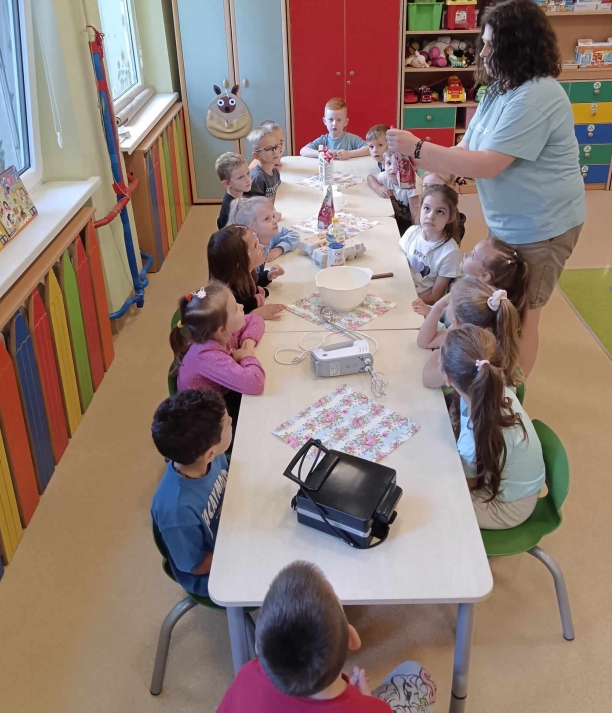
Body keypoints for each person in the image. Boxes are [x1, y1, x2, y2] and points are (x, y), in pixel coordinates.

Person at [387, 0, 586, 377]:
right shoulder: (500, 89)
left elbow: (488, 164)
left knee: (523, 315)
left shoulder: (538, 96)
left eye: (492, 44)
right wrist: (435, 175)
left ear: (517, 47)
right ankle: (489, 373)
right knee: (498, 303)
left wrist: (418, 148)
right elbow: (467, 148)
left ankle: (509, 395)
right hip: (509, 220)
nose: (483, 52)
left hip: (543, 226)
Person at [216, 560, 437, 713]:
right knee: (415, 674)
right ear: (352, 638)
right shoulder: (373, 710)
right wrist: (365, 701)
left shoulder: (247, 676)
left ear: (259, 647)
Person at [439, 324, 545, 529]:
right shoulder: (491, 391)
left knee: (440, 503)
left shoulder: (474, 438)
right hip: (513, 485)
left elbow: (467, 484)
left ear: (448, 379)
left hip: (510, 506)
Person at [150, 389, 232, 595]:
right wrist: (242, 549)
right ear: (210, 454)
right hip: (211, 573)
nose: (231, 420)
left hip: (232, 525)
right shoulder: (177, 511)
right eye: (228, 423)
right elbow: (194, 565)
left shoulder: (207, 457)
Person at [171, 283, 265, 427]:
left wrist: (248, 344)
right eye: (235, 309)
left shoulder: (220, 333)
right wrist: (247, 357)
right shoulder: (206, 355)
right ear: (221, 329)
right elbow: (255, 383)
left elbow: (255, 319)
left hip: (221, 396)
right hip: (208, 424)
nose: (241, 306)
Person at [418, 278, 522, 390]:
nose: (446, 302)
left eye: (448, 301)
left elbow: (427, 378)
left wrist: (438, 352)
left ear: (456, 320)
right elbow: (425, 341)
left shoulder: (471, 353)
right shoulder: (478, 334)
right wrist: (438, 306)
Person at [399, 185, 461, 305]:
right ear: (420, 209)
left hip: (420, 305)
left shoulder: (450, 252)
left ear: (450, 217)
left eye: (440, 212)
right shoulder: (412, 232)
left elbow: (435, 297)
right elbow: (398, 265)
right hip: (402, 291)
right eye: (427, 208)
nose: (431, 216)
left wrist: (406, 300)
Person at [207, 225, 286, 319]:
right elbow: (231, 321)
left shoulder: (243, 274)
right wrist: (253, 314)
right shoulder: (228, 297)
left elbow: (254, 281)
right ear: (239, 263)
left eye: (258, 242)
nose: (262, 247)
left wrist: (268, 276)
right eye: (256, 246)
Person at [460, 236, 530, 320]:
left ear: (485, 275)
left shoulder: (475, 306)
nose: (466, 254)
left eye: (473, 256)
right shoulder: (471, 282)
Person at [228, 196, 300, 263]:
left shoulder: (271, 236)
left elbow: (294, 235)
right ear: (251, 228)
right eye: (267, 219)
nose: (275, 221)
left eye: (273, 216)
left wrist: (279, 249)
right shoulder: (249, 253)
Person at [367, 149, 421, 236]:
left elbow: (416, 217)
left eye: (398, 164)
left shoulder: (411, 184)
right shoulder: (387, 176)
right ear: (383, 164)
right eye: (389, 163)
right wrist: (377, 188)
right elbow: (370, 177)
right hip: (397, 220)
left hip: (410, 225)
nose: (392, 168)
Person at [300, 98, 370, 160]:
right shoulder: (323, 140)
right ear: (325, 121)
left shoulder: (351, 139)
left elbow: (369, 148)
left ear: (345, 122)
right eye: (331, 119)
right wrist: (323, 154)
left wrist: (349, 154)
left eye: (339, 120)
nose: (334, 124)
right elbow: (303, 151)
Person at [421, 171, 466, 242]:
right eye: (426, 186)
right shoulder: (421, 210)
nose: (429, 192)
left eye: (435, 187)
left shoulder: (457, 225)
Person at [215, 152, 252, 230]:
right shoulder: (233, 209)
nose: (248, 179)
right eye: (240, 177)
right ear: (227, 183)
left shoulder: (242, 192)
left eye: (248, 173)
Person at [246, 126, 283, 200]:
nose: (275, 151)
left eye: (276, 147)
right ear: (257, 155)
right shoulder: (257, 178)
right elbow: (256, 205)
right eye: (268, 149)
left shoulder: (275, 172)